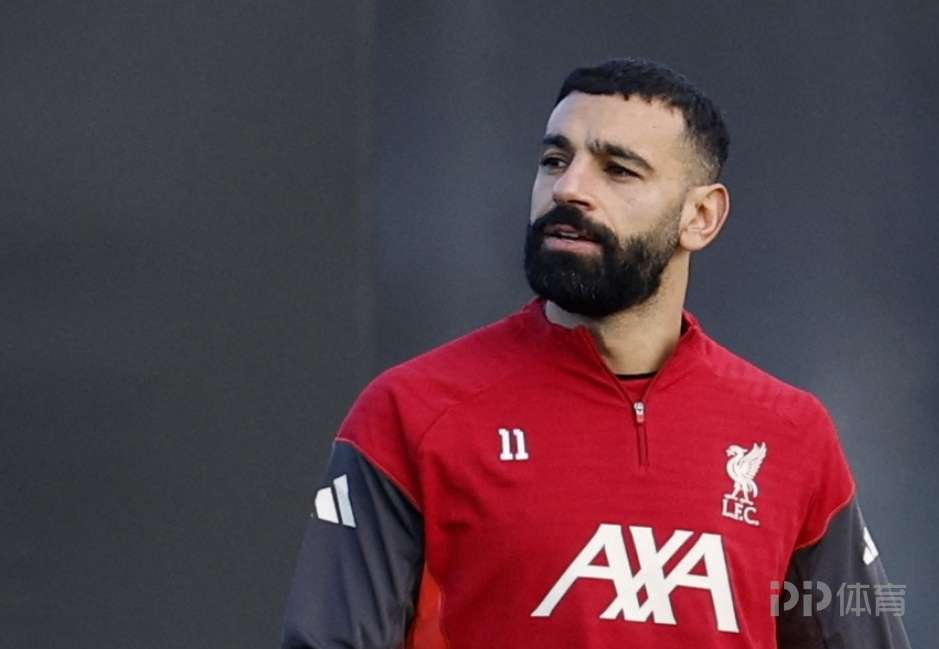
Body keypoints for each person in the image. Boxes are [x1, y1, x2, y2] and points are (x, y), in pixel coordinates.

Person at [281, 58, 910, 648]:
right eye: (555, 160)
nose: (569, 188)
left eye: (618, 170)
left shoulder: (792, 435)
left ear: (701, 216)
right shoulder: (412, 413)